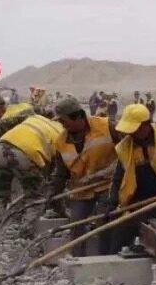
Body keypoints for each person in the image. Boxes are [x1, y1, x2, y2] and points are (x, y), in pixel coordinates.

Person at [106, 104, 156, 253]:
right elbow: (118, 179)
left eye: (134, 129)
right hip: (139, 201)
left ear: (146, 125)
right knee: (120, 231)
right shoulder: (124, 147)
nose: (131, 133)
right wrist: (111, 204)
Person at [50, 96, 117, 255]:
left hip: (108, 184)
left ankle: (103, 258)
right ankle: (77, 258)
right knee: (76, 224)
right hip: (81, 188)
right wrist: (54, 194)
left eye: (64, 121)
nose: (62, 125)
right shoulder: (60, 142)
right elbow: (61, 173)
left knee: (103, 220)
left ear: (78, 116)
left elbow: (126, 151)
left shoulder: (106, 126)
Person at [0, 111, 65, 241]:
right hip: (26, 153)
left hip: (2, 147)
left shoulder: (36, 118)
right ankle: (26, 233)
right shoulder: (62, 132)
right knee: (36, 197)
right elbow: (56, 173)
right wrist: (57, 205)